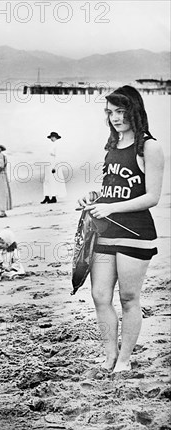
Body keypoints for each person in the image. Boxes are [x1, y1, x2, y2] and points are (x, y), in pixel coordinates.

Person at [78, 85, 164, 373]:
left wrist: (112, 208)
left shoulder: (149, 147)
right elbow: (112, 190)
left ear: (134, 111)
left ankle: (124, 360)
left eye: (121, 111)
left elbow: (152, 196)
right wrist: (93, 199)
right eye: (110, 113)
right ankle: (109, 356)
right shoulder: (112, 147)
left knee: (128, 298)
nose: (115, 118)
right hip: (105, 231)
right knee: (100, 296)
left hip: (136, 234)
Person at [41, 132, 66, 204]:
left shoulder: (57, 145)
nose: (51, 138)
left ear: (55, 137)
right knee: (47, 180)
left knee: (52, 181)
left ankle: (53, 197)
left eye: (52, 137)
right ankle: (47, 196)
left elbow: (57, 156)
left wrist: (54, 167)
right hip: (49, 164)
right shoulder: (52, 145)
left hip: (53, 164)